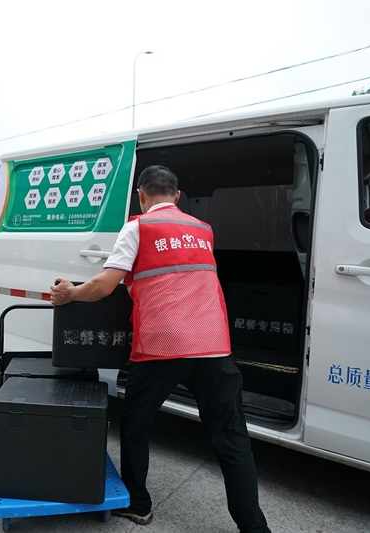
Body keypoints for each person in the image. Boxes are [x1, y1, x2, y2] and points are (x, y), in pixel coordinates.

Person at [49, 165, 270, 532]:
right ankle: (255, 528)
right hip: (214, 347)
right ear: (177, 196)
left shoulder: (139, 227)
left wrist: (70, 292)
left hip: (162, 348)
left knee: (136, 425)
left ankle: (139, 505)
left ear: (141, 195)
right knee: (232, 439)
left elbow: (105, 284)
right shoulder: (203, 230)